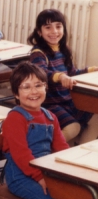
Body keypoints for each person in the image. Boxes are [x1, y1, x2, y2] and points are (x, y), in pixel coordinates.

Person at [3, 62, 92, 199]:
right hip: (21, 176)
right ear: (16, 94)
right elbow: (21, 154)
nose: (34, 91)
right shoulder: (15, 118)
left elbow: (62, 149)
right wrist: (40, 177)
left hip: (46, 171)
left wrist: (70, 173)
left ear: (46, 88)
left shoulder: (50, 116)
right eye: (26, 87)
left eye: (38, 85)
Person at [28, 8, 98, 144]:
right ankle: (46, 149)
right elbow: (40, 75)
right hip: (49, 103)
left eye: (58, 26)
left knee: (95, 118)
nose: (54, 31)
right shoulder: (38, 53)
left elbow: (71, 74)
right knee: (73, 128)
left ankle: (79, 154)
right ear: (39, 32)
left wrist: (91, 70)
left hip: (67, 101)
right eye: (48, 27)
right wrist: (60, 77)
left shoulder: (64, 49)